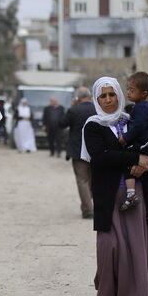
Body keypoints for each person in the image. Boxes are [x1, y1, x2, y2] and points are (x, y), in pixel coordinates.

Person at [82, 77, 148, 296]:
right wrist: (135, 158)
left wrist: (146, 163)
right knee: (110, 247)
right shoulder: (93, 125)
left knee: (135, 248)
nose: (107, 100)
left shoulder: (132, 120)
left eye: (111, 94)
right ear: (96, 99)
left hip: (134, 194)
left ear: (119, 96)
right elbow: (100, 157)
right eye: (102, 96)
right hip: (107, 194)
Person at [118, 72, 148, 218]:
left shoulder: (140, 108)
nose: (128, 93)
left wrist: (125, 138)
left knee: (127, 157)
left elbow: (138, 127)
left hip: (147, 143)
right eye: (127, 89)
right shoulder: (144, 107)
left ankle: (131, 194)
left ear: (144, 93)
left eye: (132, 90)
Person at [59, 87, 97, 219]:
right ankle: (92, 206)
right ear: (89, 96)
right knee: (93, 180)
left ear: (78, 98)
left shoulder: (74, 110)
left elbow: (61, 124)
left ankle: (88, 210)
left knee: (82, 180)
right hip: (95, 150)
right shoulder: (97, 109)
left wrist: (72, 106)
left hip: (78, 150)